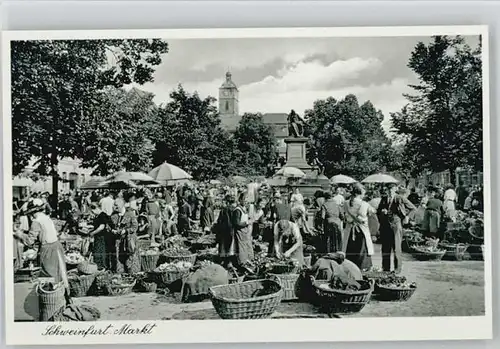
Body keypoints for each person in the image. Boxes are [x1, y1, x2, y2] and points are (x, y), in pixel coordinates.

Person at [14, 199, 69, 289]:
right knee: (60, 272)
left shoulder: (36, 221)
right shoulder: (46, 217)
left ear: (32, 212)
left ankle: (48, 293)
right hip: (56, 246)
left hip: (48, 249)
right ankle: (62, 293)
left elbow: (29, 241)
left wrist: (19, 234)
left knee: (48, 274)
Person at [377, 184, 416, 273]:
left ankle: (397, 269)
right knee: (385, 248)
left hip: (396, 225)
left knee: (396, 247)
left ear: (395, 189)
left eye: (392, 189)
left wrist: (407, 217)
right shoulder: (384, 199)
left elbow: (413, 208)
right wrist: (382, 213)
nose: (390, 191)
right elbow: (378, 211)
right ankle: (385, 268)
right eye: (388, 189)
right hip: (385, 226)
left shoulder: (399, 198)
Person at [342, 183, 375, 271]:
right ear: (360, 193)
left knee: (350, 247)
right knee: (362, 248)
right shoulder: (364, 204)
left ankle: (350, 265)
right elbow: (370, 213)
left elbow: (344, 215)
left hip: (350, 228)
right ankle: (363, 266)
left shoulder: (346, 203)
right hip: (361, 229)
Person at [231, 193, 254, 268]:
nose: (246, 202)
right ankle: (242, 263)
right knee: (241, 247)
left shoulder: (244, 209)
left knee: (247, 246)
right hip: (240, 231)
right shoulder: (237, 210)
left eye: (247, 200)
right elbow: (236, 223)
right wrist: (247, 222)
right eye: (244, 200)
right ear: (240, 200)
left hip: (245, 231)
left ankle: (248, 260)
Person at [88, 203, 113, 269]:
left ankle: (101, 267)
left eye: (92, 211)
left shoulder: (102, 215)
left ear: (95, 209)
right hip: (98, 237)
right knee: (97, 251)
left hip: (101, 237)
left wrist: (93, 233)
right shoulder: (99, 215)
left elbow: (101, 227)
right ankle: (98, 266)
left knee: (100, 252)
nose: (93, 213)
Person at [214, 195, 236, 268]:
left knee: (223, 245)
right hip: (231, 230)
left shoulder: (223, 210)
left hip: (223, 230)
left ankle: (223, 261)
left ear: (227, 202)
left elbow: (219, 221)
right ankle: (229, 262)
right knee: (230, 247)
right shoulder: (234, 210)